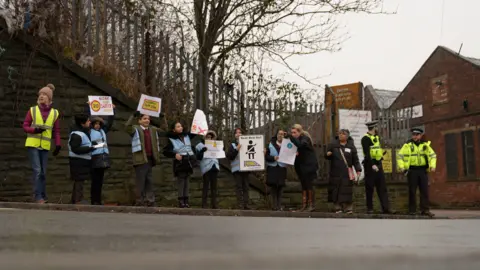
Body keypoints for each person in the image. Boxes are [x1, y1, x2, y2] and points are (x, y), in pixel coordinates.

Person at [23, 83, 61, 204]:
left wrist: (58, 144)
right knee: (38, 170)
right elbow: (25, 126)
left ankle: (43, 195)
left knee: (43, 172)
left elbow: (57, 131)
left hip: (45, 146)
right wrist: (35, 130)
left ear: (50, 99)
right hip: (33, 144)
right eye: (40, 94)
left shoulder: (55, 113)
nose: (42, 96)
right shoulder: (32, 110)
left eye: (45, 94)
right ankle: (38, 196)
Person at [397, 128, 437, 217]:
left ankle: (425, 210)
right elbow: (400, 156)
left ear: (420, 136)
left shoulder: (425, 145)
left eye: (417, 135)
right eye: (413, 135)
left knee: (424, 191)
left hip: (423, 170)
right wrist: (402, 167)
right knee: (412, 191)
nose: (415, 136)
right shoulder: (407, 145)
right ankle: (412, 210)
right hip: (412, 170)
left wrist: (432, 165)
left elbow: (432, 155)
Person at [125, 111, 161, 207]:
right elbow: (127, 127)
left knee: (149, 181)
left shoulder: (152, 129)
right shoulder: (135, 129)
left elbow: (164, 130)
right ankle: (139, 200)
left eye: (148, 119)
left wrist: (163, 118)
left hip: (150, 158)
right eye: (144, 118)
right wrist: (133, 116)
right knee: (140, 181)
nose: (147, 120)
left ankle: (150, 200)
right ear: (139, 120)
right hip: (140, 158)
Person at [326, 129, 362, 214]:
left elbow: (355, 160)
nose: (341, 135)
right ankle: (337, 207)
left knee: (347, 189)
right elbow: (327, 155)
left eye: (343, 134)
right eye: (340, 134)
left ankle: (348, 207)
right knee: (336, 189)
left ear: (347, 136)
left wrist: (358, 170)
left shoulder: (351, 146)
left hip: (347, 172)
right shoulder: (333, 145)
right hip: (335, 171)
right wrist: (327, 154)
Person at [361, 120, 393, 214]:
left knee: (382, 187)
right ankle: (370, 208)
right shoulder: (365, 139)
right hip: (370, 165)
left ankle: (386, 208)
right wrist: (372, 164)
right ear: (374, 128)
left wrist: (381, 157)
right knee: (370, 187)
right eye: (376, 127)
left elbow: (376, 150)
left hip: (379, 164)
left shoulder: (377, 138)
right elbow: (367, 154)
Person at [163, 121, 197, 208]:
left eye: (181, 126)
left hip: (188, 162)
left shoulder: (186, 136)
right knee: (181, 182)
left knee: (187, 182)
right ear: (174, 129)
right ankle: (181, 201)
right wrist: (174, 155)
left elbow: (195, 131)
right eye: (178, 127)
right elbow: (165, 151)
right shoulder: (171, 139)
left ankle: (186, 200)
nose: (180, 128)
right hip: (180, 163)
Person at [288, 124, 318, 212]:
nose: (293, 134)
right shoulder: (295, 140)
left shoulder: (305, 138)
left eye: (294, 132)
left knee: (309, 184)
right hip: (300, 166)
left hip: (308, 165)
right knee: (304, 185)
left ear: (299, 132)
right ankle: (304, 205)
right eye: (292, 133)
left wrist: (291, 138)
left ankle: (311, 205)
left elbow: (300, 145)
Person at [89, 106, 115, 205]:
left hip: (103, 158)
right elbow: (86, 119)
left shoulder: (103, 131)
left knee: (100, 181)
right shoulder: (90, 131)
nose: (97, 125)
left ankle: (98, 200)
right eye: (95, 124)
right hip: (95, 157)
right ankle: (94, 200)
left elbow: (110, 122)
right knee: (94, 181)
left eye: (99, 124)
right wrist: (88, 107)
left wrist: (113, 111)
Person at [68, 114, 96, 204]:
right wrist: (90, 148)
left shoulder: (82, 131)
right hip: (78, 161)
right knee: (79, 181)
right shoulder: (77, 134)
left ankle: (75, 200)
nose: (89, 122)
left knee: (79, 181)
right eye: (88, 121)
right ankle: (78, 200)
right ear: (82, 123)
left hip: (82, 161)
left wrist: (92, 144)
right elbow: (75, 148)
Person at [227, 128, 251, 210]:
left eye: (240, 132)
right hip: (237, 170)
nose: (239, 134)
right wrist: (237, 149)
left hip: (246, 169)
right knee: (239, 187)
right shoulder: (232, 145)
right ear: (235, 135)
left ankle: (246, 205)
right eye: (237, 133)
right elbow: (229, 156)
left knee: (246, 187)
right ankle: (240, 205)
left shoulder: (247, 143)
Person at [195, 130, 220, 209]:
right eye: (207, 137)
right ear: (204, 137)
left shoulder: (215, 145)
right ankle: (204, 204)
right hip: (206, 168)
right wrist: (202, 151)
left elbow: (220, 154)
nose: (209, 138)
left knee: (214, 187)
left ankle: (214, 204)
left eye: (210, 137)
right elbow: (198, 157)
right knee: (206, 186)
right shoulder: (200, 145)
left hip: (214, 167)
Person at [265, 129, 288, 211]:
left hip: (282, 168)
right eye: (279, 134)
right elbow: (266, 157)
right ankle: (274, 206)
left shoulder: (287, 145)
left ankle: (279, 205)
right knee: (273, 187)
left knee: (280, 187)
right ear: (276, 134)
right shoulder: (270, 144)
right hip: (273, 168)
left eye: (282, 134)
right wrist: (273, 158)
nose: (280, 135)